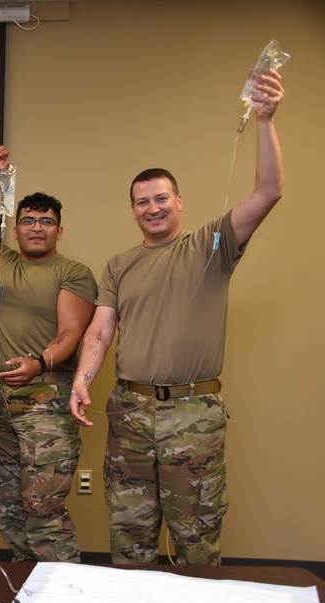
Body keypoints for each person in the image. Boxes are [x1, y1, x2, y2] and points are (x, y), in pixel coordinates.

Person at [69, 70, 285, 565]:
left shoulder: (212, 245)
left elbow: (269, 191)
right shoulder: (119, 265)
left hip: (193, 415)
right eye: (142, 202)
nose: (153, 208)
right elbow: (100, 332)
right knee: (129, 538)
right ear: (133, 210)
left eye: (162, 198)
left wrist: (266, 120)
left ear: (179, 202)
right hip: (129, 414)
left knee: (196, 539)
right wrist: (82, 381)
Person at [0, 145, 97, 562]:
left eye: (46, 222)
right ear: (15, 229)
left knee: (43, 508)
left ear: (59, 231)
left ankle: (64, 594)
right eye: (27, 220)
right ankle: (29, 584)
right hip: (0, 403)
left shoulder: (73, 272)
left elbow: (70, 332)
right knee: (8, 504)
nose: (36, 227)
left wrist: (40, 363)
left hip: (45, 401)